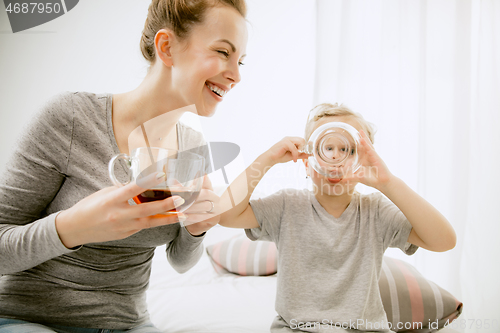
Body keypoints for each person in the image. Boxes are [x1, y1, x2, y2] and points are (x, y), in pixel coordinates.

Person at [0, 0, 248, 331]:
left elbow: (180, 261)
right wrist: (73, 227)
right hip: (30, 318)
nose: (236, 75)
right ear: (167, 47)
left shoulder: (192, 147)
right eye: (222, 52)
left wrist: (196, 229)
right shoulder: (71, 119)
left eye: (241, 60)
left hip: (126, 323)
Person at [219, 103, 457, 332]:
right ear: (307, 160)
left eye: (346, 149)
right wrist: (268, 158)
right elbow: (226, 215)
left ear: (363, 159)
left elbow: (444, 241)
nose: (335, 160)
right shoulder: (287, 206)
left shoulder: (375, 212)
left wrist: (388, 183)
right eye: (326, 148)